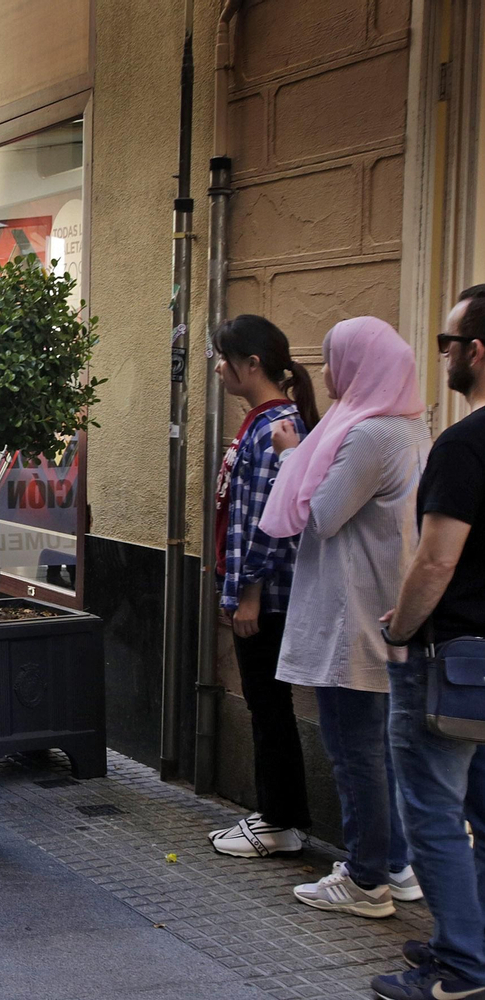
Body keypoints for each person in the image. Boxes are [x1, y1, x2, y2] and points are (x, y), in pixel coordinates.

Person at [261, 316, 427, 918]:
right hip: (377, 604)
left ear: (361, 366)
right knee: (378, 747)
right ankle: (397, 865)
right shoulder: (405, 427)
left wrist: (291, 455)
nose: (327, 373)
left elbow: (324, 513)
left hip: (350, 613)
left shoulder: (368, 436)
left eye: (335, 360)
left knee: (354, 748)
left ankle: (365, 880)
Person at [374, 291, 485, 1000]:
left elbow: (437, 560)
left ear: (476, 352)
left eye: (446, 342)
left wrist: (400, 629)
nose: (439, 355)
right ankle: (469, 943)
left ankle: (464, 969)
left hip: (455, 659)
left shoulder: (465, 444)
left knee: (433, 813)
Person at [205, 315, 320, 858]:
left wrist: (246, 591)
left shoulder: (278, 427)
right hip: (257, 590)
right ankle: (279, 816)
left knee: (268, 706)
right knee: (265, 704)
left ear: (253, 364)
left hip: (268, 598)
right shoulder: (261, 423)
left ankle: (281, 821)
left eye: (226, 357)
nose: (220, 367)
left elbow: (272, 518)